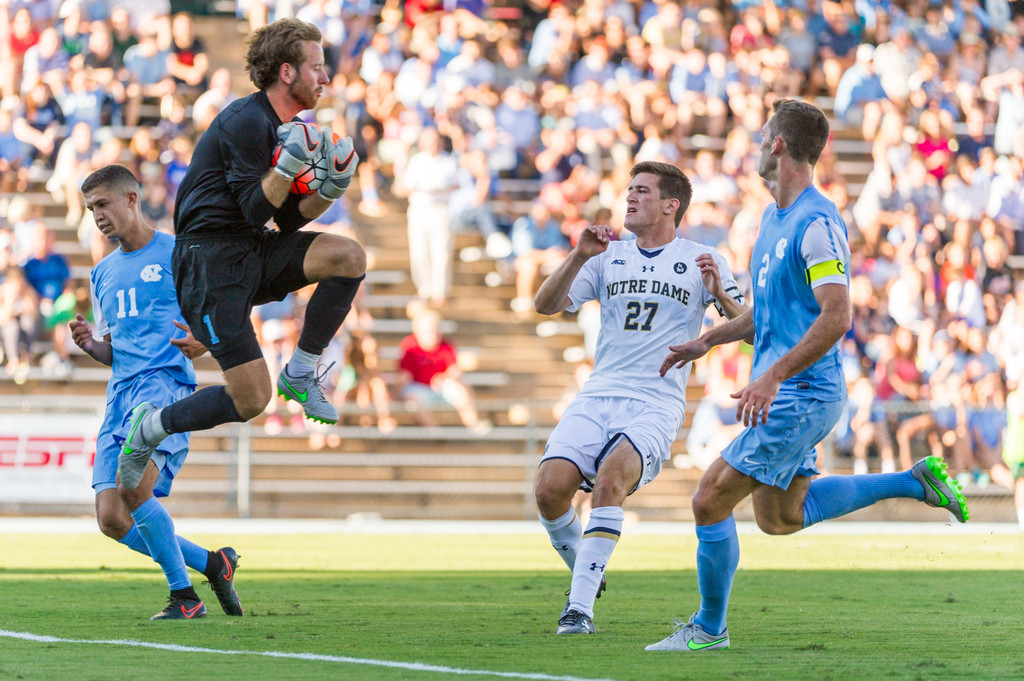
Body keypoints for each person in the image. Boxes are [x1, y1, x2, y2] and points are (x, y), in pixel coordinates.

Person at [645, 99, 970, 653]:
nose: (755, 142)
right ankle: (915, 482)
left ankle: (708, 629)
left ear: (777, 145)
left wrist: (771, 377)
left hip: (802, 391)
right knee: (780, 518)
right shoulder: (773, 220)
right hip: (794, 389)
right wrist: (709, 337)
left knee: (708, 499)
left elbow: (837, 314)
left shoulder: (817, 223)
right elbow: (768, 317)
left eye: (763, 133)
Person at [115, 17, 362, 491]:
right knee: (252, 400)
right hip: (208, 263)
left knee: (348, 256)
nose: (326, 78)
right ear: (286, 72)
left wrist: (329, 191)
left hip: (247, 248)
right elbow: (255, 209)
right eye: (317, 67)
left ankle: (303, 370)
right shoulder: (246, 119)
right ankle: (150, 427)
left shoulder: (286, 127)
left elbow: (284, 220)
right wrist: (291, 168)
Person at [532, 161, 747, 635]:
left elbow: (750, 326)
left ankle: (579, 608)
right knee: (549, 491)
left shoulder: (701, 257)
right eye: (629, 189)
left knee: (610, 483)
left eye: (642, 191)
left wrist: (720, 297)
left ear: (671, 205)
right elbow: (544, 305)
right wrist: (577, 254)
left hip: (656, 400)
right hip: (600, 392)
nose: (629, 197)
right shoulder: (607, 254)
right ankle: (586, 565)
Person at [69, 164, 243, 620]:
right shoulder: (102, 273)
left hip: (163, 385)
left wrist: (205, 342)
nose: (98, 217)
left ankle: (184, 597)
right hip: (120, 394)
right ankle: (212, 563)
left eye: (103, 204)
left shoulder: (177, 252)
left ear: (131, 199)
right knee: (111, 517)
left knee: (134, 485)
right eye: (91, 210)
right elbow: (115, 349)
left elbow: (211, 320)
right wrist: (91, 346)